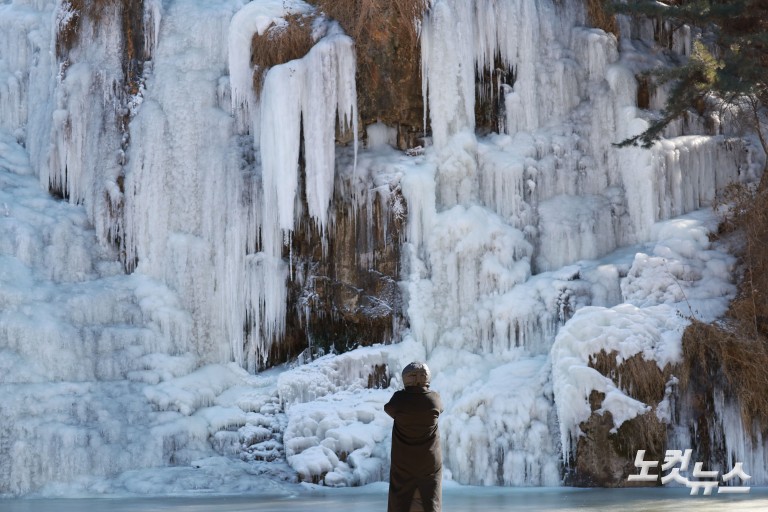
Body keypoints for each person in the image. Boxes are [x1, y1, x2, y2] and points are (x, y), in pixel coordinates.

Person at [384, 362, 443, 512]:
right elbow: (440, 409)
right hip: (429, 463)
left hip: (403, 463)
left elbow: (388, 409)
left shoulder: (398, 399)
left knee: (400, 502)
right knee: (430, 500)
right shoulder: (434, 399)